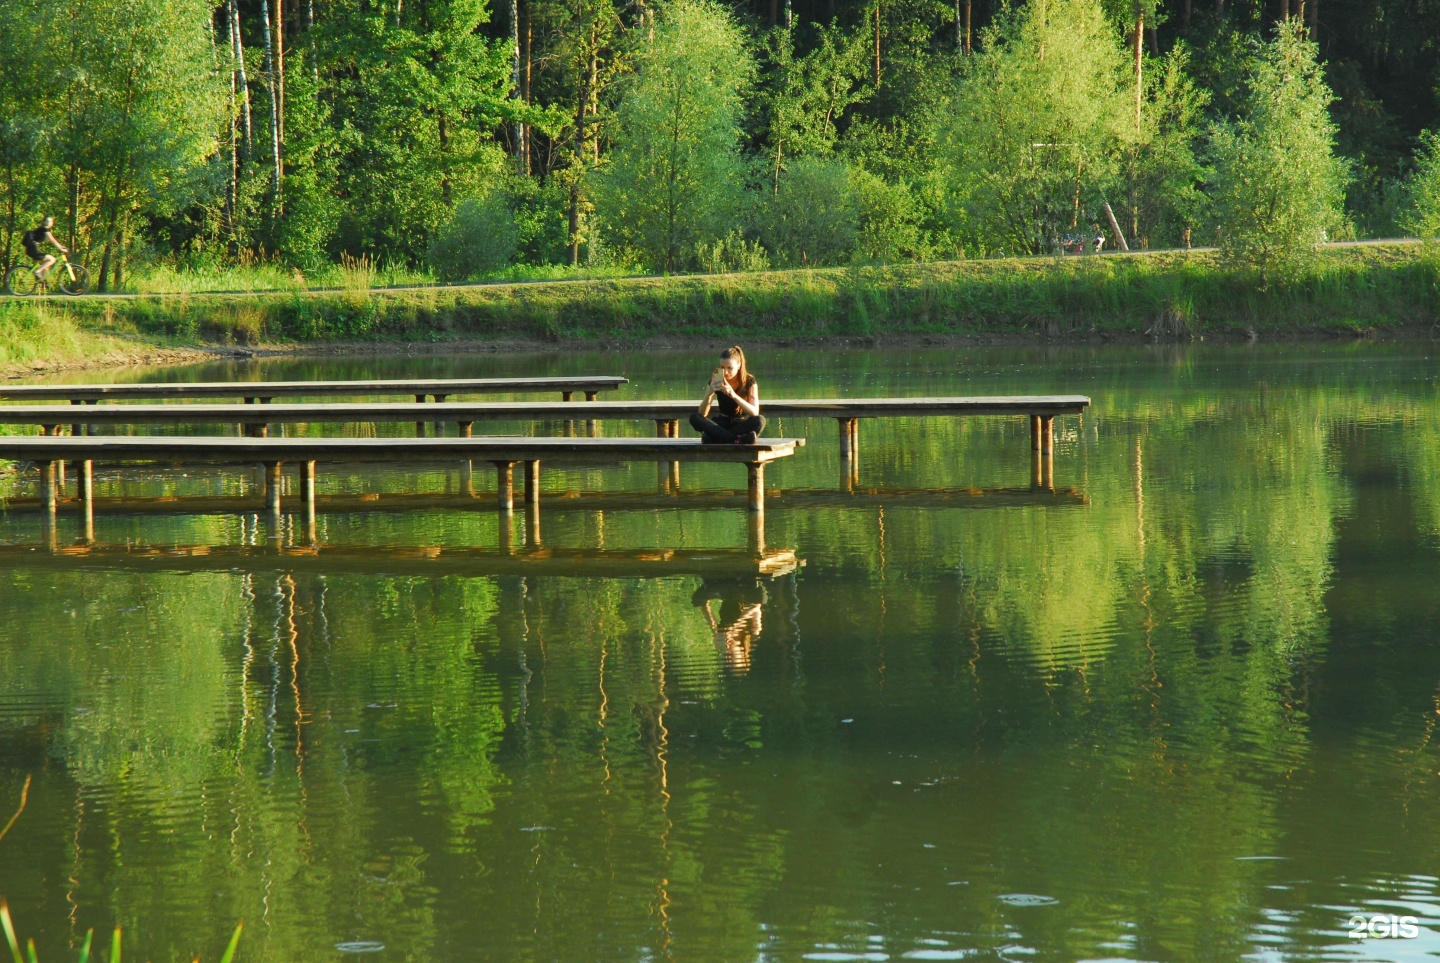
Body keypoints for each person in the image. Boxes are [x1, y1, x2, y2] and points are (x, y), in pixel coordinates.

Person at [689, 345, 766, 445]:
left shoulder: (749, 381)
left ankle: (717, 438)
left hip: (741, 423)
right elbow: (703, 413)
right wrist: (709, 393)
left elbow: (754, 412)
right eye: (722, 367)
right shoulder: (717, 377)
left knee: (760, 420)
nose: (725, 372)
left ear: (739, 365)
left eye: (730, 368)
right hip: (722, 423)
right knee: (695, 418)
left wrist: (733, 394)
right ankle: (736, 439)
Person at [22, 217, 68, 282]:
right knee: (52, 259)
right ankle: (37, 271)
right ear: (44, 222)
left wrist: (61, 246)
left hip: (31, 250)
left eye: (51, 221)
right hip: (33, 250)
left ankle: (42, 282)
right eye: (47, 221)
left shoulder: (41, 229)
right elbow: (52, 240)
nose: (49, 223)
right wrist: (61, 249)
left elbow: (53, 241)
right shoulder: (44, 230)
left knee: (45, 264)